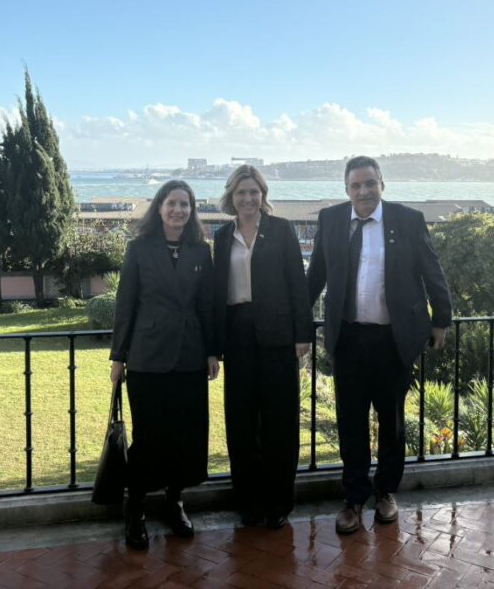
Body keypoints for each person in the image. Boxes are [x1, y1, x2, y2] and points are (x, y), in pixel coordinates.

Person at [307, 156, 452, 535]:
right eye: (356, 185)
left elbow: (432, 271)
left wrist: (441, 320)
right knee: (351, 422)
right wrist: (295, 325)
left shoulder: (407, 220)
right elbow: (315, 277)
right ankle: (353, 500)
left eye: (370, 183)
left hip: (393, 340)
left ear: (382, 184)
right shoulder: (332, 220)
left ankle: (386, 492)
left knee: (392, 421)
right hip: (349, 339)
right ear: (346, 189)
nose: (363, 191)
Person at [110, 180, 219, 550]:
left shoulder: (201, 251)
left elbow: (209, 305)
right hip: (148, 357)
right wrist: (117, 356)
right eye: (172, 203)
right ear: (159, 208)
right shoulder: (139, 249)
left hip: (189, 357)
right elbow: (125, 305)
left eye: (185, 204)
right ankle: (136, 508)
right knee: (149, 438)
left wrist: (212, 352)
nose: (178, 210)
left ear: (192, 210)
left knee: (184, 436)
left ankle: (175, 502)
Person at [213, 165, 314, 529]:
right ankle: (249, 503)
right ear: (232, 197)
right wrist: (214, 345)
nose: (248, 198)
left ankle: (279, 502)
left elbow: (297, 285)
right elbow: (216, 294)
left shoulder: (282, 230)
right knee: (241, 425)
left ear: (263, 195)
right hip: (237, 337)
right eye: (241, 192)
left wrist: (302, 335)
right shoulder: (223, 236)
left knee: (280, 424)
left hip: (278, 338)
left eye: (254, 192)